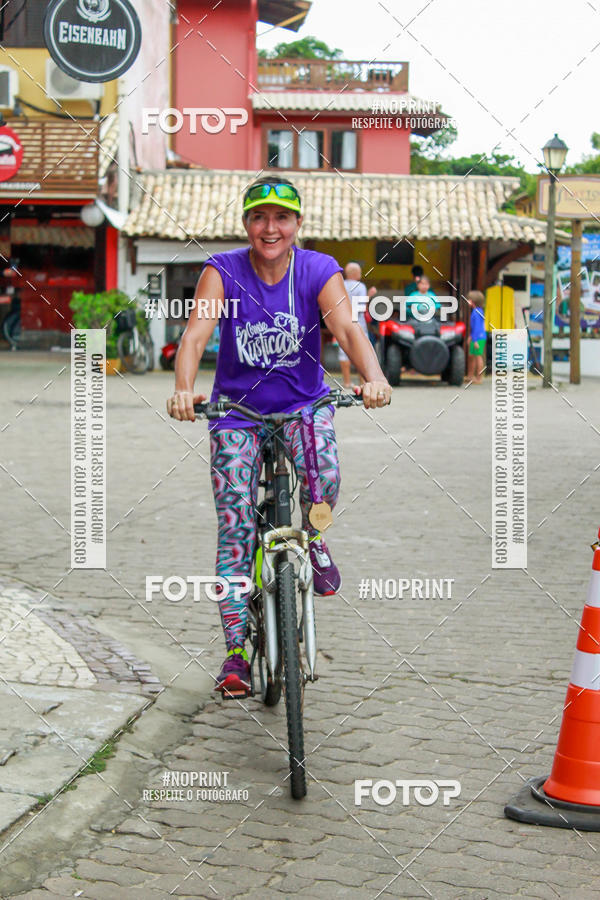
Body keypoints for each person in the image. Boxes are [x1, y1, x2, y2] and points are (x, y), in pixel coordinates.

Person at [166, 176, 391, 696]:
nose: (271, 228)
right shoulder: (222, 271)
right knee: (235, 526)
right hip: (236, 412)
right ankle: (237, 653)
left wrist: (374, 378)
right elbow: (196, 333)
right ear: (246, 224)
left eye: (282, 218)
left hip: (301, 405)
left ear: (297, 225)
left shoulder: (318, 270)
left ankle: (313, 539)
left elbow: (349, 332)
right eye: (259, 217)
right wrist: (183, 389)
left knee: (326, 475)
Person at [339, 262, 369, 388]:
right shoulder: (360, 286)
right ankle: (362, 381)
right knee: (361, 350)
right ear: (356, 273)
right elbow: (362, 305)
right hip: (358, 322)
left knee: (343, 350)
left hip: (342, 320)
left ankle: (346, 381)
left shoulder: (340, 285)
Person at [467, 290, 486, 384]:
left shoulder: (476, 312)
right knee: (472, 356)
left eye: (469, 299)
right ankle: (471, 376)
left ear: (473, 301)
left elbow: (477, 328)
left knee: (478, 356)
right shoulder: (477, 311)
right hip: (476, 337)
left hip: (478, 338)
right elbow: (474, 327)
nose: (467, 301)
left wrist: (475, 340)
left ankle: (479, 378)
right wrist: (471, 336)